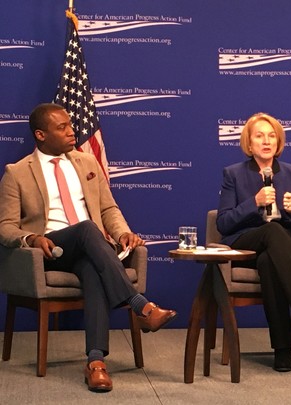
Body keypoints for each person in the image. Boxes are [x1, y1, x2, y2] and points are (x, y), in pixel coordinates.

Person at [0, 103, 177, 392]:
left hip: (90, 248)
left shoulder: (86, 163)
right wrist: (31, 239)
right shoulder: (17, 173)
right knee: (85, 229)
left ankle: (96, 363)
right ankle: (140, 305)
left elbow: (108, 208)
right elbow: (5, 226)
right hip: (50, 251)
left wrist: (122, 233)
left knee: (92, 268)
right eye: (63, 128)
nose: (72, 131)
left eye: (71, 125)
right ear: (41, 135)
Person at [216, 112, 291, 372]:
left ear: (279, 142)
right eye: (259, 136)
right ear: (249, 144)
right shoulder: (233, 174)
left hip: (281, 252)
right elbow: (223, 224)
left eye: (272, 136)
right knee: (272, 231)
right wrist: (253, 203)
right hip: (245, 244)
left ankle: (282, 351)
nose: (266, 141)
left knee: (270, 260)